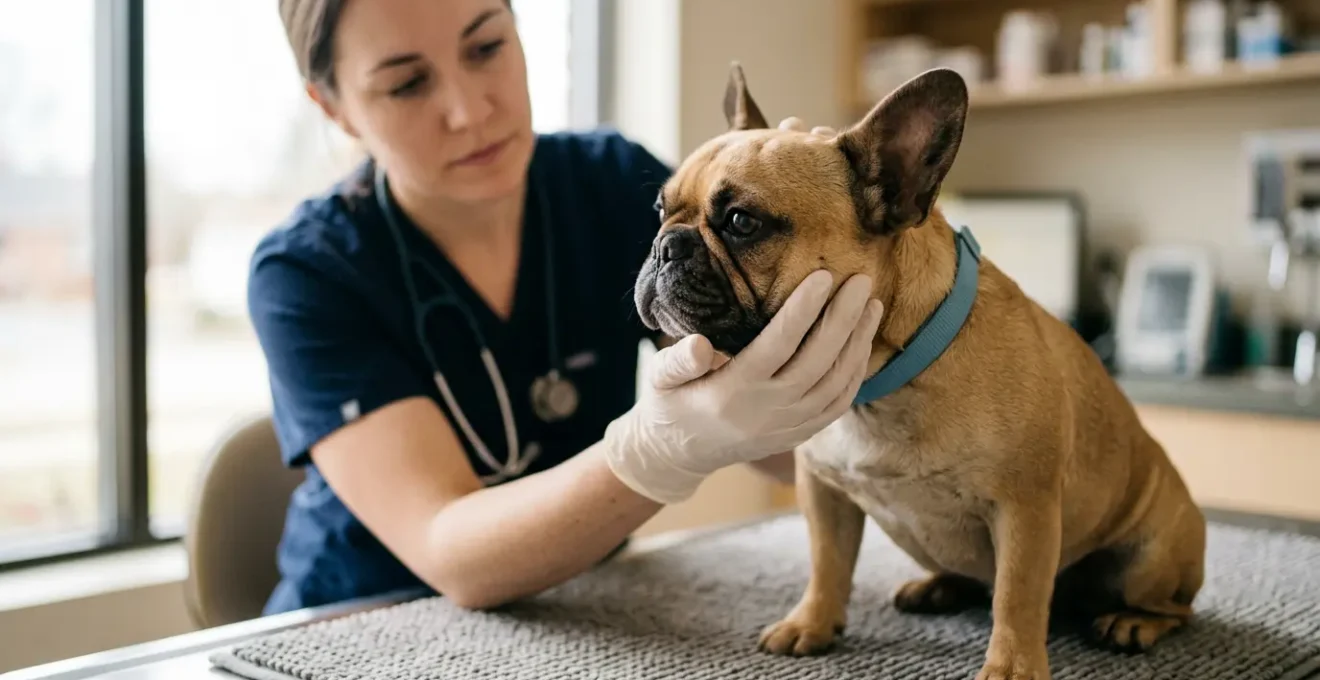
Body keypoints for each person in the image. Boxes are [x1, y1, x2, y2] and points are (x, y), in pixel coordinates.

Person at [251, 0, 884, 616]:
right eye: (408, 83)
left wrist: (828, 241)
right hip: (361, 625)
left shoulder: (610, 183)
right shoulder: (309, 273)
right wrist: (660, 449)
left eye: (486, 47)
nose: (469, 110)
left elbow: (782, 448)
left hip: (589, 610)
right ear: (334, 108)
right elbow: (450, 553)